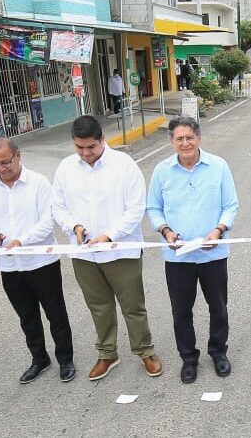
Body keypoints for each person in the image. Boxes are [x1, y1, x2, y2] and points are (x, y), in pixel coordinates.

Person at [51, 115, 162, 381]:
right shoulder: (66, 168)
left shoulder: (124, 166)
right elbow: (58, 206)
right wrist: (74, 226)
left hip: (121, 250)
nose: (85, 153)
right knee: (99, 306)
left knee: (132, 305)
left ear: (102, 139)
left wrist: (109, 235)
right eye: (79, 147)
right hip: (84, 253)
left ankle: (145, 351)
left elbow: (136, 208)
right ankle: (107, 353)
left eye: (91, 147)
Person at [0, 137, 75, 384]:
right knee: (27, 317)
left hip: (41, 261)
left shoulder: (38, 183)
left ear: (18, 156)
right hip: (8, 265)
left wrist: (22, 241)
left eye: (5, 162)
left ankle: (65, 359)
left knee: (55, 314)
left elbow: (48, 221)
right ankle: (39, 359)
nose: (1, 168)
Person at [147, 117, 239, 384]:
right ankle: (188, 357)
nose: (185, 143)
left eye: (189, 137)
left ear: (199, 138)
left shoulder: (218, 166)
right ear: (171, 141)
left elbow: (231, 205)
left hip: (213, 253)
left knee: (218, 307)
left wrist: (219, 230)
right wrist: (165, 231)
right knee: (181, 311)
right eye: (179, 139)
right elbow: (153, 208)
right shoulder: (162, 171)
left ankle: (218, 352)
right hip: (178, 255)